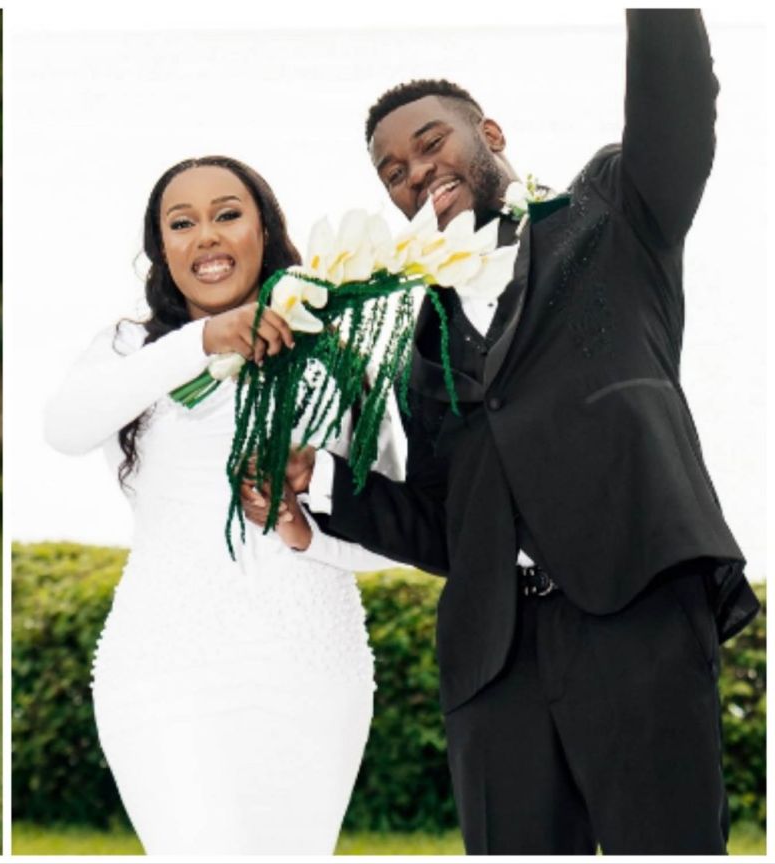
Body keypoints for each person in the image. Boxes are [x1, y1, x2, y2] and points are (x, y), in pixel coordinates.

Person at [279, 9, 759, 854]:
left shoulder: (612, 213)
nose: (417, 174)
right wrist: (320, 484)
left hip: (636, 610)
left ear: (489, 132)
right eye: (393, 171)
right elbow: (445, 523)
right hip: (494, 658)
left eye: (431, 144)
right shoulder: (415, 328)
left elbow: (675, 99)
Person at [43, 156, 407, 854]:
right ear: (162, 250)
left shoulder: (339, 353)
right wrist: (204, 339)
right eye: (181, 224)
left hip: (312, 666)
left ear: (265, 228)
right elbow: (64, 428)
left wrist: (308, 523)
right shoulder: (131, 349)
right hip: (166, 667)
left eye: (227, 214)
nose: (206, 236)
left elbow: (399, 529)